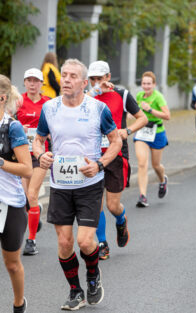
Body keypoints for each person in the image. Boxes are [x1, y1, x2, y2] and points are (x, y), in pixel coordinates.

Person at [32, 58, 122, 310]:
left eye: (73, 76)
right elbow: (38, 140)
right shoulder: (49, 108)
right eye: (64, 74)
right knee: (63, 243)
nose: (67, 79)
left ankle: (92, 275)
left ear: (84, 83)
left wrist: (100, 164)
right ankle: (75, 291)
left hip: (89, 182)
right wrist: (41, 155)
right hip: (60, 184)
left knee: (84, 241)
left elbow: (115, 141)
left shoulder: (97, 109)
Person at [87, 61, 148, 260]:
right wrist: (94, 91)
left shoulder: (122, 95)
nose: (96, 82)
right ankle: (102, 243)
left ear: (108, 76)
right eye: (92, 79)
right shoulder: (86, 98)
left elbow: (142, 118)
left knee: (113, 205)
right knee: (96, 203)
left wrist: (127, 130)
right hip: (93, 155)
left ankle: (121, 220)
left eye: (100, 78)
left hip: (116, 154)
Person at [0, 74, 32, 313]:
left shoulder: (13, 127)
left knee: (11, 264)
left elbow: (27, 169)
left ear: (2, 98)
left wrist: (0, 163)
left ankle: (19, 304)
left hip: (8, 203)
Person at [17, 68, 50, 256]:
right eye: (28, 80)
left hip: (40, 155)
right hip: (22, 156)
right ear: (24, 82)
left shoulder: (48, 103)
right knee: (24, 198)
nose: (32, 83)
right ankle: (34, 217)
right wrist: (17, 126)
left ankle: (31, 241)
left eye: (35, 80)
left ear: (41, 84)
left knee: (32, 194)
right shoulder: (19, 101)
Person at [134, 71, 170, 208]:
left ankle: (162, 180)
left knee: (156, 165)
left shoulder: (158, 97)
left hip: (157, 132)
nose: (146, 86)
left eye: (149, 83)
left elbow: (167, 116)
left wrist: (150, 110)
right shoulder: (139, 96)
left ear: (154, 84)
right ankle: (143, 196)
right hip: (143, 132)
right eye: (144, 83)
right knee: (142, 163)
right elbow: (136, 112)